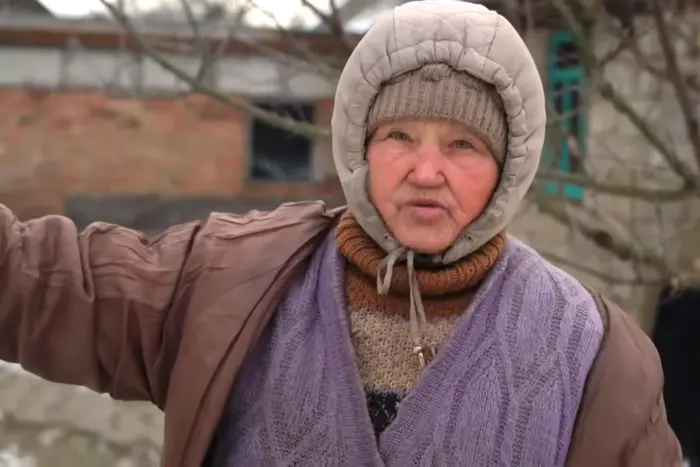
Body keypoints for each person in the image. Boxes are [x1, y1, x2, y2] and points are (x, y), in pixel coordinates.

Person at [0, 1, 682, 466]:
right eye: (399, 136)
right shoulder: (235, 282)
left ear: (509, 166)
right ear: (360, 144)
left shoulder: (595, 356)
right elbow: (47, 283)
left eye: (464, 145)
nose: (426, 170)